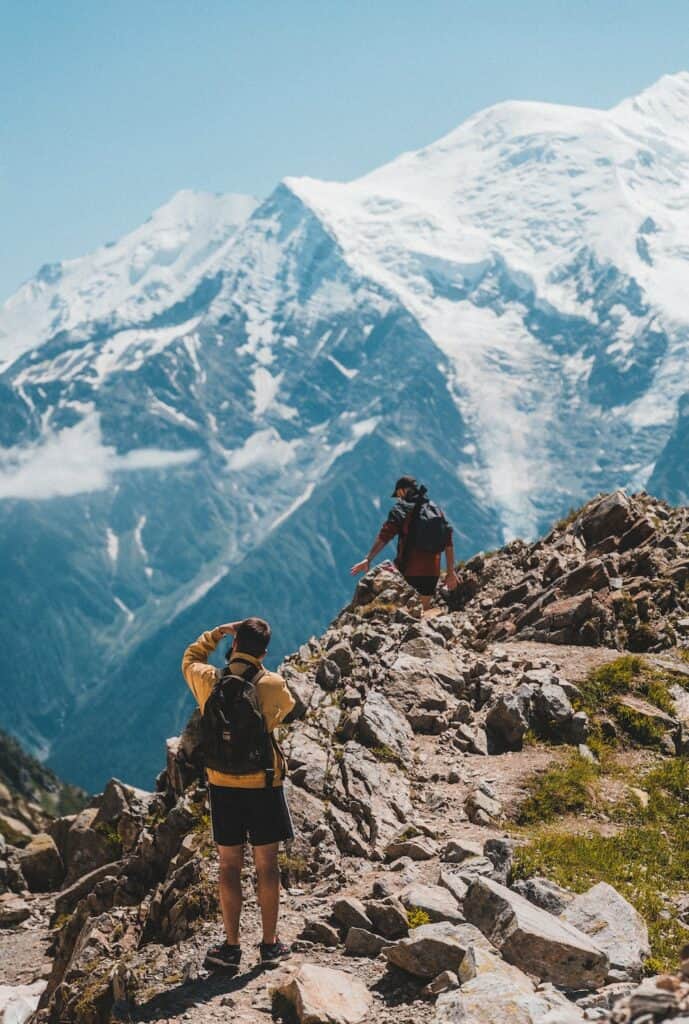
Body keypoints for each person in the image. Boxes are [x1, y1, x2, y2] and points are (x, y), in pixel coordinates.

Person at [181, 617, 295, 973]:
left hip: (222, 786)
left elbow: (189, 658)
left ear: (233, 645)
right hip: (262, 786)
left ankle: (230, 948)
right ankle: (270, 945)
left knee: (229, 866)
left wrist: (216, 632)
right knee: (267, 865)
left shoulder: (209, 681)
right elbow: (285, 710)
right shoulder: (272, 684)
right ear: (264, 651)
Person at [350, 475, 458, 610]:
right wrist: (450, 571)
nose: (399, 498)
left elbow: (385, 535)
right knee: (421, 612)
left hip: (408, 571)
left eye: (398, 494)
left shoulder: (402, 508)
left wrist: (368, 559)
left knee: (387, 602)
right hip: (432, 574)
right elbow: (448, 541)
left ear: (402, 491)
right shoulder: (435, 509)